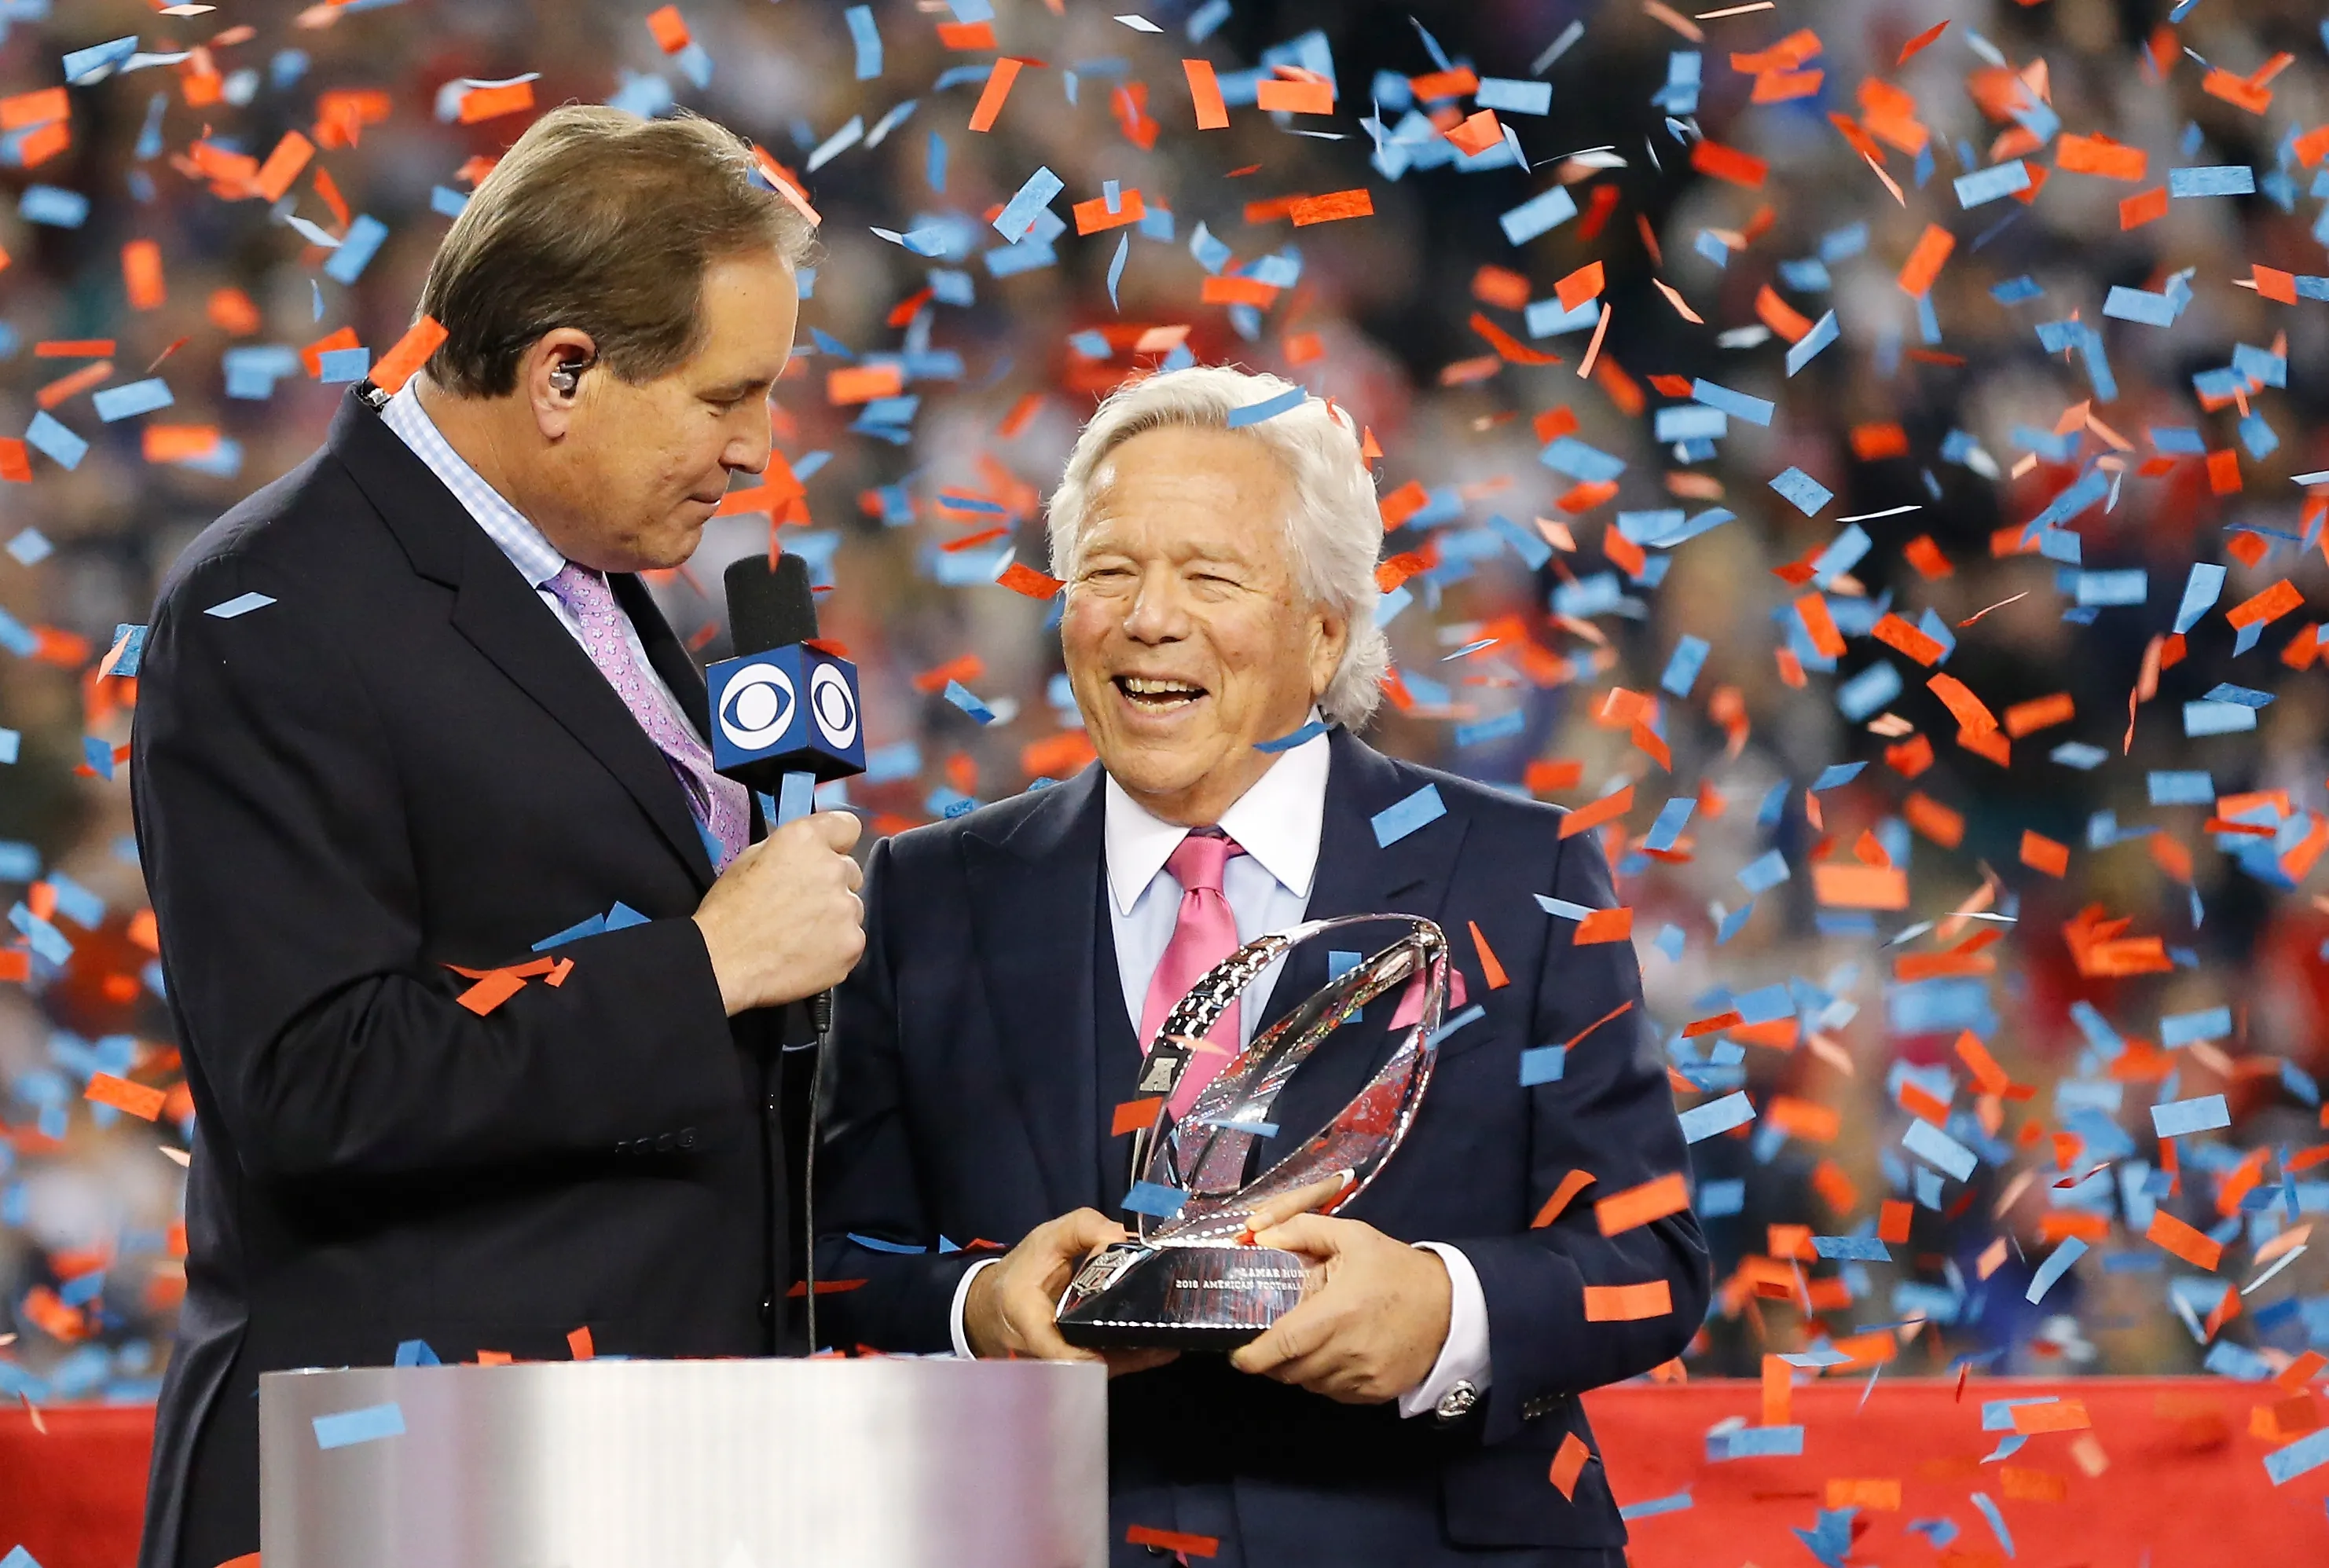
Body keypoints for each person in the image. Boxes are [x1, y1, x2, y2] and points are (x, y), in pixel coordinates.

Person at [130, 106, 866, 1568]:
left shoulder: (581, 578)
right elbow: (311, 1087)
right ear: (563, 373)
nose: (756, 452)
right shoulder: (269, 614)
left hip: (640, 1462)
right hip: (406, 1482)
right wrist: (702, 968)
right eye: (730, 397)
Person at [818, 365, 1711, 1566]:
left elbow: (1650, 1260)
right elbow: (828, 1263)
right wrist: (979, 1311)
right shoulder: (928, 893)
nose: (1148, 617)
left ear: (1324, 630)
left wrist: (1442, 1313)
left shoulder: (1522, 872)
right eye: (1110, 571)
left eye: (1210, 576)